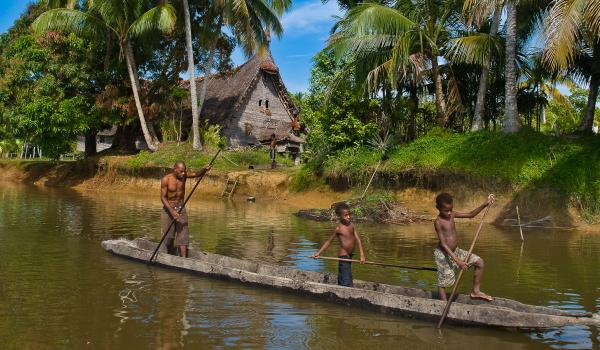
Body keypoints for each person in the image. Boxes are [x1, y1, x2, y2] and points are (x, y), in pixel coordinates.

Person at [434, 193, 495, 301]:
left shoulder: (452, 214)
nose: (449, 213)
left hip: (456, 251)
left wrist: (484, 204)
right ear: (438, 208)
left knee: (479, 262)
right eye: (446, 211)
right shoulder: (438, 222)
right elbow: (443, 244)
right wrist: (458, 261)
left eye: (450, 209)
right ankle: (443, 305)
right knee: (443, 282)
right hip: (443, 254)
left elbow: (471, 214)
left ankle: (476, 292)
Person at [160, 160, 212, 257]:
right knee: (168, 238)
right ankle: (169, 256)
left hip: (181, 208)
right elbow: (163, 198)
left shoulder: (184, 176)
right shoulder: (166, 179)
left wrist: (204, 170)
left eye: (184, 171)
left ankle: (184, 260)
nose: (183, 173)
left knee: (183, 235)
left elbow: (197, 174)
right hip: (168, 210)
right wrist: (172, 212)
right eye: (181, 171)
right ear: (174, 169)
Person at [310, 203, 366, 287]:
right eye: (345, 215)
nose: (348, 217)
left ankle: (341, 288)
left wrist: (362, 255)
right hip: (344, 256)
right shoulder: (339, 228)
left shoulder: (351, 225)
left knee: (346, 276)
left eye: (349, 214)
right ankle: (345, 291)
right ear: (340, 216)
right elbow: (329, 241)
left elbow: (358, 239)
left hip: (350, 255)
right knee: (346, 279)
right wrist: (318, 253)